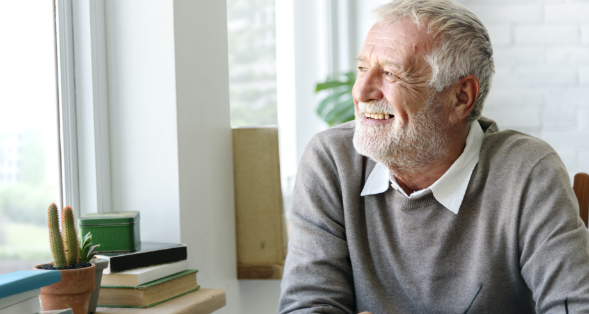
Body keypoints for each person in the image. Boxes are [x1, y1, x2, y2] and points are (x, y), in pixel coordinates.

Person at [278, 0, 589, 313]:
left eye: (390, 73)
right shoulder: (331, 160)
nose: (361, 92)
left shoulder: (526, 171)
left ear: (460, 97)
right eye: (362, 69)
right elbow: (307, 306)